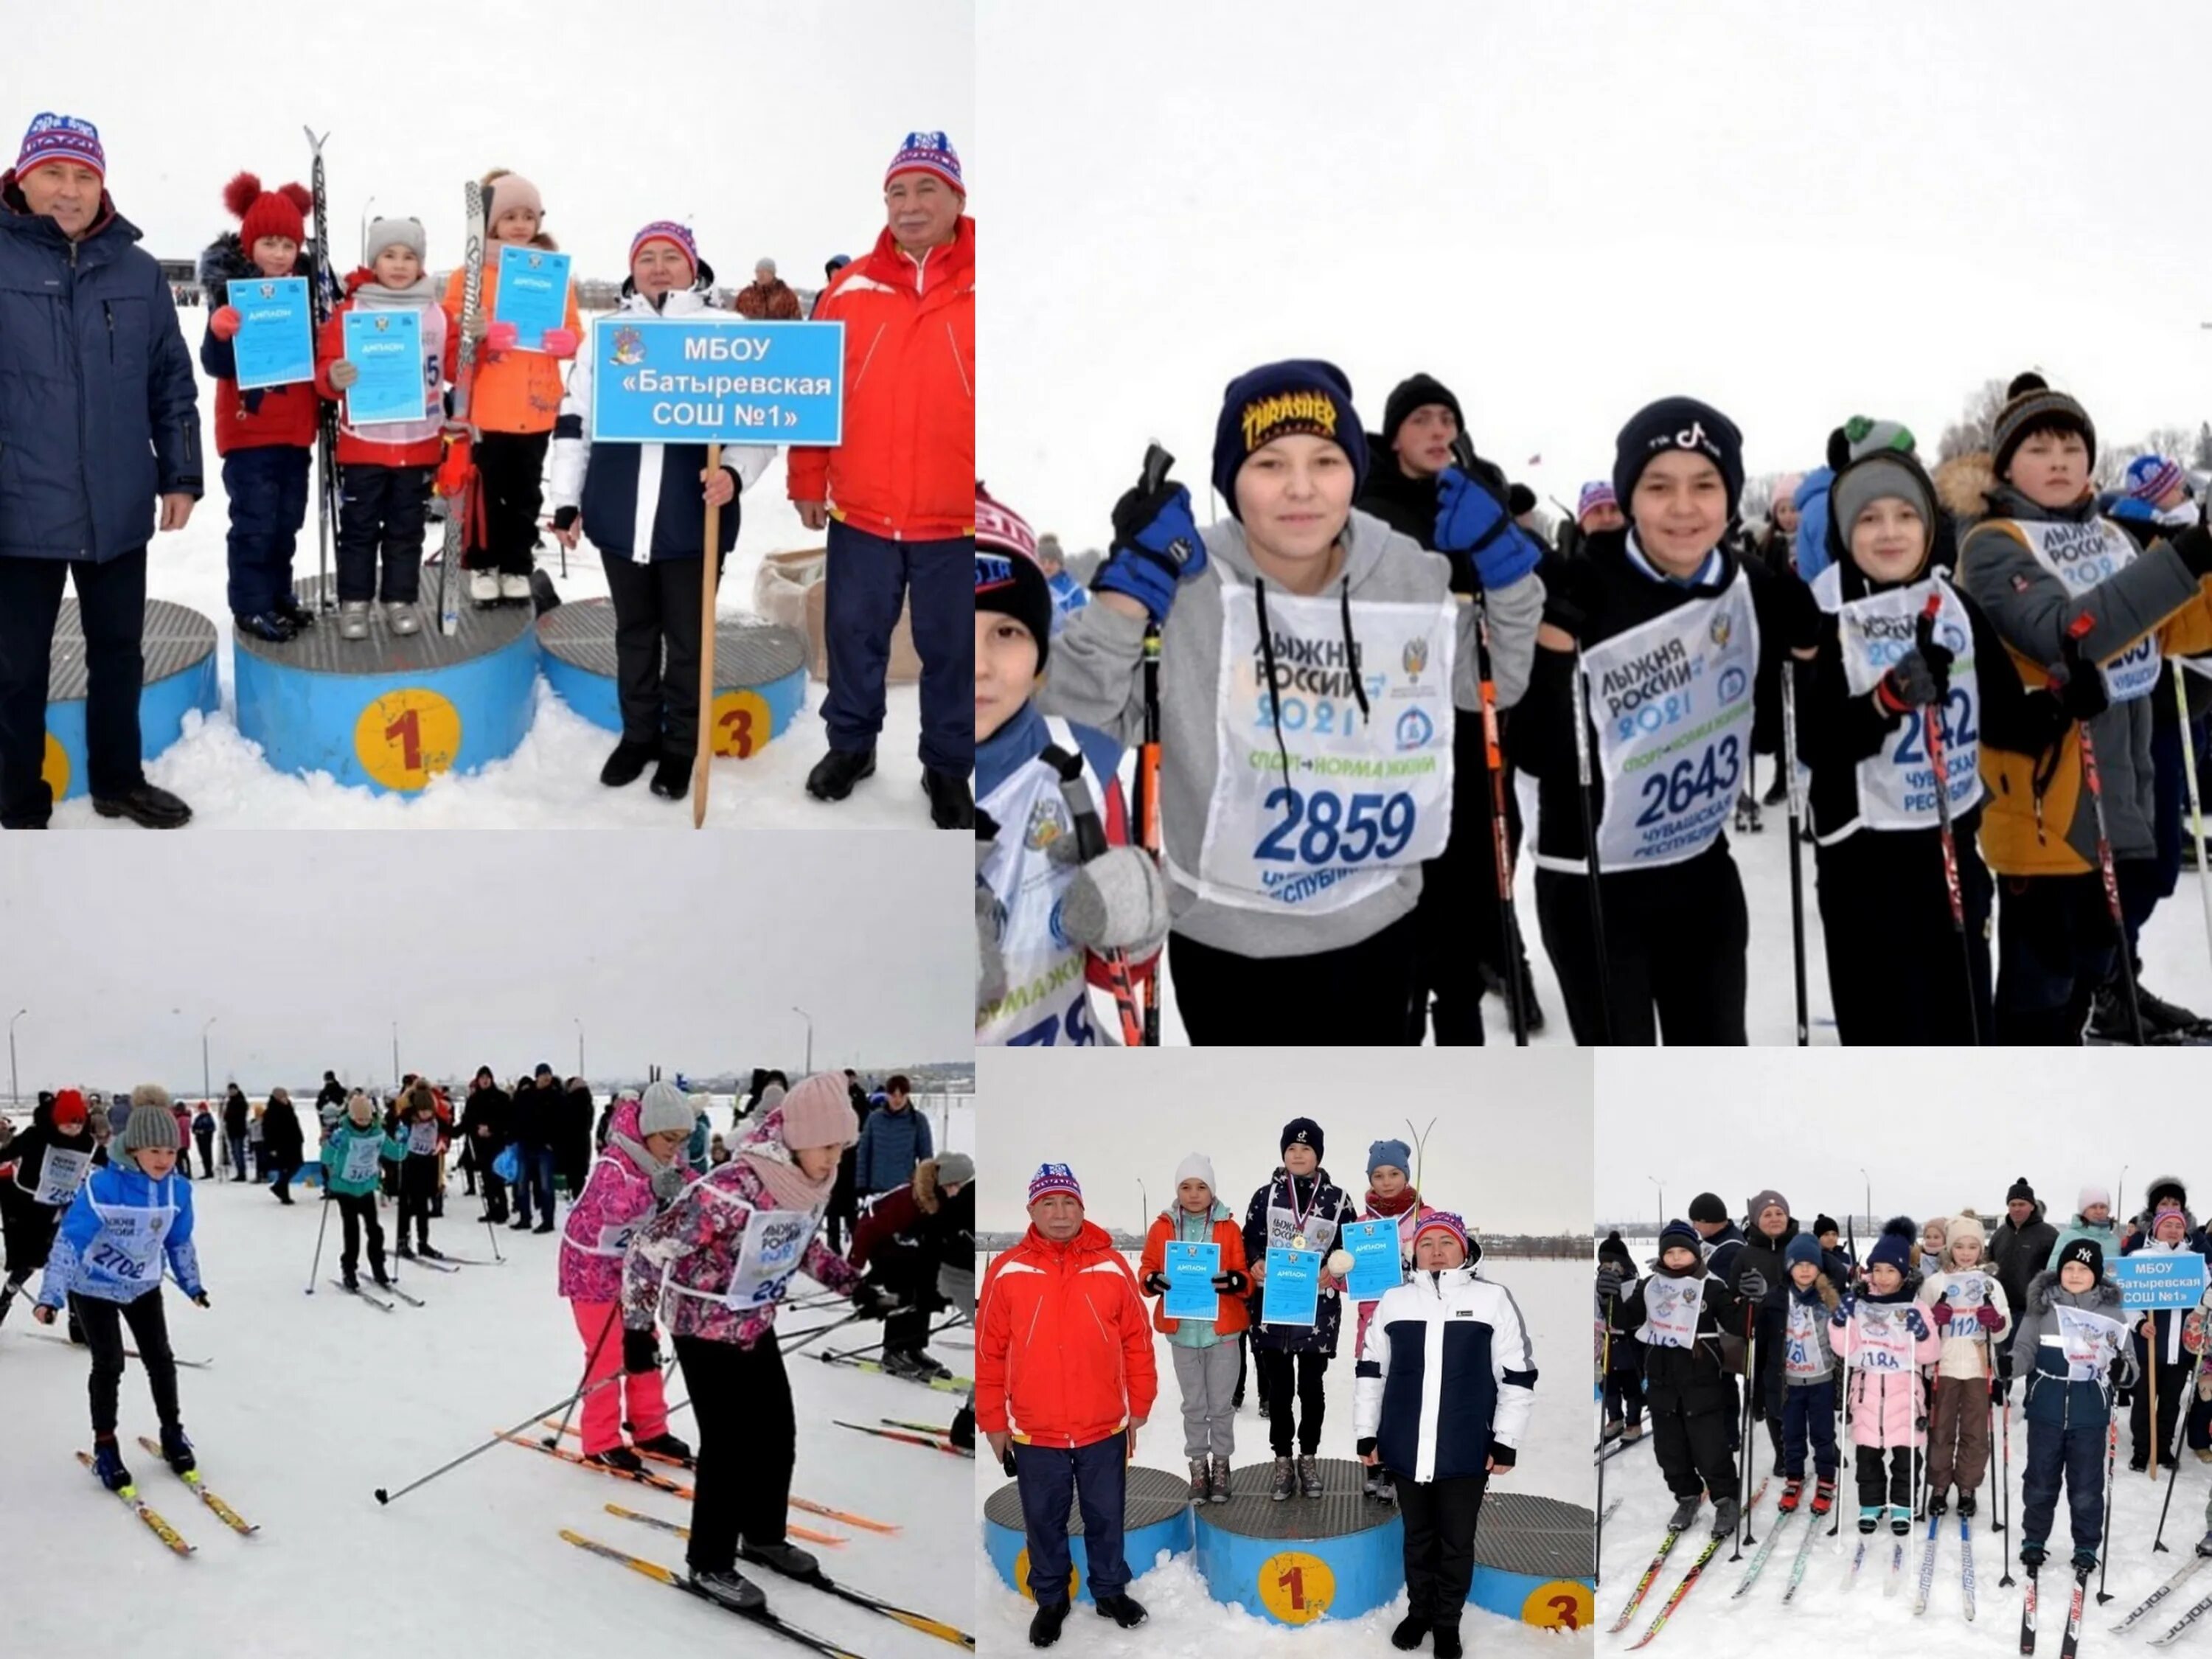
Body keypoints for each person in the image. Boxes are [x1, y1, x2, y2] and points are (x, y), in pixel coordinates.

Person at [1044, 361, 1543, 1043]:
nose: (1301, 488)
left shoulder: (1405, 571)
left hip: (1375, 928)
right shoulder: (1190, 581)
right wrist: (1126, 594)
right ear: (1233, 482)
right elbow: (1085, 699)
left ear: (1355, 471)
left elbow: (1491, 682)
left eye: (1326, 461)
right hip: (1225, 942)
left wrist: (1508, 573)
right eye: (1271, 464)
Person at [1505, 397, 1821, 1043]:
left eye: (1704, 485)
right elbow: (1534, 751)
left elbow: (1768, 736)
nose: (1683, 508)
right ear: (1630, 496)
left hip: (1699, 872)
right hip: (1591, 884)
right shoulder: (1583, 582)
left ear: (1730, 496)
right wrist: (1553, 649)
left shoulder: (1751, 584)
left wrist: (1809, 651)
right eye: (1659, 487)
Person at [1944, 373, 2212, 1043]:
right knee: (2044, 985)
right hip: (2047, 799)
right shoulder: (1993, 543)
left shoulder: (2115, 537)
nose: (2059, 461)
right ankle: (2025, 1106)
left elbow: (2181, 626)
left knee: (2103, 950)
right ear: (2005, 466)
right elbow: (2067, 631)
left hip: (2126, 786)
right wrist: (2190, 552)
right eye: (2038, 449)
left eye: (2071, 447)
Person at [1800, 424, 2072, 1043]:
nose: (1890, 532)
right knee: (1888, 1030)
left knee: (1964, 1022)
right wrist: (1885, 702)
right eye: (1869, 519)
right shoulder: (1823, 613)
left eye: (1904, 515)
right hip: (1863, 864)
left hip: (1951, 852)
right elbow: (1813, 743)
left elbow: (2005, 718)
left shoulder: (1954, 605)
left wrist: (2064, 704)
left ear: (1928, 525)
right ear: (1846, 532)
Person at [620, 1074, 897, 1613]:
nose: (833, 1158)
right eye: (826, 1146)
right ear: (797, 1137)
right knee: (729, 1445)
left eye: (842, 1147)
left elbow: (801, 1245)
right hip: (701, 1325)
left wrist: (856, 1286)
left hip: (752, 1320)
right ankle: (709, 1562)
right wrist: (637, 1330)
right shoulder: (728, 1189)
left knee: (776, 1433)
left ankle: (763, 1535)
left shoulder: (806, 1184)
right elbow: (648, 1249)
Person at [0, 112, 200, 830]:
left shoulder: (137, 270)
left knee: (118, 652)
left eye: (85, 175)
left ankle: (119, 780)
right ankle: (18, 805)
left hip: (116, 503)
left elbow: (169, 378)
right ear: (22, 179)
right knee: (16, 671)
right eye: (53, 171)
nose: (69, 189)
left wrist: (179, 474)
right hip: (17, 508)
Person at [788, 133, 975, 828]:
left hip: (958, 520)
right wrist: (808, 477)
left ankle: (949, 765)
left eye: (927, 188)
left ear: (958, 196)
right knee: (853, 636)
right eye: (897, 191)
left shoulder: (989, 283)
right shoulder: (849, 289)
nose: (910, 204)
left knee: (953, 649)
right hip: (862, 511)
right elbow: (815, 394)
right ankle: (852, 745)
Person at [1354, 372, 1545, 1044]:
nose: (1439, 432)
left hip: (1471, 712)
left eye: (1448, 420)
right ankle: (1406, 1019)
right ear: (1395, 434)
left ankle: (1469, 1005)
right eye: (1422, 421)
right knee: (1410, 887)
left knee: (1479, 858)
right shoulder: (1368, 503)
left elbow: (1529, 577)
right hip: (1389, 725)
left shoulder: (1478, 488)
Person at [549, 222, 773, 800]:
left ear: (692, 266)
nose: (656, 267)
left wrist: (734, 475)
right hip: (621, 518)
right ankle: (639, 736)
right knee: (635, 635)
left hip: (692, 521)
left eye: (669, 256)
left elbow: (761, 424)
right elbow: (577, 423)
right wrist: (568, 499)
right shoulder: (607, 335)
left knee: (689, 640)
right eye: (645, 257)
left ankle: (680, 746)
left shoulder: (728, 332)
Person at [975, 497, 1168, 1046]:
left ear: (1038, 650)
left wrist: (1131, 920)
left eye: (1006, 632)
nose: (979, 665)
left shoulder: (1073, 765)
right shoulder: (881, 804)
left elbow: (1116, 970)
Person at [977, 1164, 1155, 1646]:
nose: (1059, 1213)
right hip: (1035, 1430)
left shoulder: (1111, 1266)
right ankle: (1051, 1598)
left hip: (1103, 1426)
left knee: (1105, 1515)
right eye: (1049, 1203)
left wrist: (1139, 1403)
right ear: (1031, 1209)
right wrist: (994, 1422)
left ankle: (1109, 1590)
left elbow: (1138, 1340)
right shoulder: (1008, 1269)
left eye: (1068, 1203)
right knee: (1043, 1520)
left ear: (1082, 1208)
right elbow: (989, 1352)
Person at [1355, 1212, 1531, 1659]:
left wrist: (1505, 1438)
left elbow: (1516, 1375)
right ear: (1413, 1251)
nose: (1436, 1250)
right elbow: (1372, 1371)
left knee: (1456, 1541)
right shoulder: (1394, 1301)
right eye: (1426, 1241)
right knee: (1417, 1537)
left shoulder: (1492, 1300)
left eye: (1446, 1241)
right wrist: (1366, 1433)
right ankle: (1420, 1612)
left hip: (1465, 1448)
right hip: (1407, 1447)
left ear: (1464, 1248)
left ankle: (1447, 1621)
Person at [35, 1088, 209, 1492]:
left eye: (171, 1151)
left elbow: (179, 1240)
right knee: (110, 1363)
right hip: (92, 1286)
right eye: (155, 1152)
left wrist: (192, 1284)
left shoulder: (178, 1190)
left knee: (160, 1359)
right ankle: (106, 1445)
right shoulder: (102, 1187)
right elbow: (69, 1242)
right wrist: (51, 1296)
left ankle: (172, 1432)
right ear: (133, 1149)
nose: (165, 1161)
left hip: (143, 1286)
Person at [2102, 453, 2212, 1039]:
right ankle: (2111, 984)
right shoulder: (2135, 534)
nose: (2182, 499)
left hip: (2180, 709)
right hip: (2149, 713)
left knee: (2159, 861)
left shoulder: (2183, 528)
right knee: (2148, 860)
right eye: (2171, 492)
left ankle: (2120, 978)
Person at [442, 169, 580, 606]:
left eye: (528, 216)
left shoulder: (555, 274)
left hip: (536, 407)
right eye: (509, 217)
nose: (520, 225)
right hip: (486, 406)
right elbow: (450, 331)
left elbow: (573, 330)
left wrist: (566, 341)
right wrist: (478, 331)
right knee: (485, 491)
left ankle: (517, 566)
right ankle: (484, 563)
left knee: (526, 493)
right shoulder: (469, 275)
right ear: (490, 225)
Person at [198, 170, 319, 643]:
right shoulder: (231, 296)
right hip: (250, 435)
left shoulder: (306, 295)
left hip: (294, 431)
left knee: (287, 520)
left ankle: (277, 593)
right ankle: (250, 603)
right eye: (269, 243)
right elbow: (215, 364)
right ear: (250, 245)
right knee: (255, 522)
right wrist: (220, 330)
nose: (279, 254)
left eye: (288, 245)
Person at [314, 213, 448, 639]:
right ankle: (355, 600)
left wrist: (473, 341)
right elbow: (324, 372)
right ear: (374, 260)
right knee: (359, 528)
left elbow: (459, 371)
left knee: (406, 530)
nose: (399, 264)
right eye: (389, 255)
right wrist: (334, 377)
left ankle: (399, 597)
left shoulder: (436, 314)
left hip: (418, 443)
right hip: (365, 446)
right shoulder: (352, 310)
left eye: (409, 256)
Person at [558, 1081, 694, 1471]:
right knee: (606, 1354)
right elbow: (612, 1205)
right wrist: (651, 1187)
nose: (675, 1148)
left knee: (644, 1344)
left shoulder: (668, 1163)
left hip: (634, 1272)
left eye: (681, 1140)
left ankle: (650, 1428)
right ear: (649, 1130)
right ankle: (600, 1438)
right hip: (590, 1271)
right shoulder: (614, 1161)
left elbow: (690, 1188)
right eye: (669, 1138)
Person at [1599, 1217, 1756, 1539]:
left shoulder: (1711, 1286)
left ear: (1695, 1254)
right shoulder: (1650, 1286)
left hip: (1703, 1385)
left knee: (1711, 1449)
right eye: (1669, 1253)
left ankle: (1725, 1499)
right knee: (1670, 1452)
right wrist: (1609, 1297)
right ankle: (1687, 1495)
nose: (1675, 1259)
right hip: (1662, 1384)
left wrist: (1753, 1299)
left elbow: (1740, 1324)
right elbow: (1626, 1319)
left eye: (1681, 1253)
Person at [1242, 1117, 1360, 1500]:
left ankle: (1308, 1457)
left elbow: (1350, 1248)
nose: (1298, 1155)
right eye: (1292, 1148)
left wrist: (1334, 1268)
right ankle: (1282, 1460)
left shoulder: (1339, 1199)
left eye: (1306, 1149)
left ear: (1318, 1155)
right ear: (1283, 1153)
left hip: (1317, 1312)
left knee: (1311, 1389)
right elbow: (1249, 1240)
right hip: (1273, 1309)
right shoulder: (1265, 1195)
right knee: (1279, 1390)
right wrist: (1256, 1260)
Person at [2014, 1235, 2133, 1574]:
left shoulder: (2112, 1313)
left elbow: (2129, 1362)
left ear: (2096, 1274)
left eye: (2083, 1268)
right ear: (2059, 1270)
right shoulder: (2042, 1308)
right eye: (2069, 1267)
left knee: (2085, 1486)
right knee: (2039, 1480)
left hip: (2089, 1413)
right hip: (2046, 1409)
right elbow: (2024, 1349)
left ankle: (2085, 1545)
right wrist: (2011, 1364)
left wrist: (2124, 1370)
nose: (2076, 1274)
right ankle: (2034, 1539)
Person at [1137, 1152, 1251, 1504]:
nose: (1194, 1194)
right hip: (1184, 1333)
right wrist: (1153, 1280)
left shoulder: (1229, 1228)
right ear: (1177, 1190)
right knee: (1193, 1405)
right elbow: (1146, 1270)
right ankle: (1198, 1465)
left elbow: (1245, 1277)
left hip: (1223, 1333)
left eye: (1201, 1186)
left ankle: (1221, 1465)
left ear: (1212, 1190)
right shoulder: (1162, 1228)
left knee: (1220, 1405)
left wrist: (1235, 1281)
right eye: (1186, 1186)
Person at [1832, 1218, 1943, 1537]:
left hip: (1904, 1395)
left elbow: (1929, 1354)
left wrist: (1922, 1334)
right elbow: (1846, 1350)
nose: (1882, 1277)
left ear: (1904, 1273)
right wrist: (1841, 1322)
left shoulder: (1915, 1306)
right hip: (1867, 1393)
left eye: (1890, 1270)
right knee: (1867, 1455)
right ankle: (1871, 1504)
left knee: (1906, 1458)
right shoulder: (1861, 1303)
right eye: (1877, 1269)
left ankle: (1903, 1505)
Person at [849, 1151, 975, 1382]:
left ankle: (914, 1347)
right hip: (884, 1245)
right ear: (944, 1181)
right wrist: (853, 1266)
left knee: (927, 1288)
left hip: (912, 1248)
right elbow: (868, 1229)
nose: (959, 1191)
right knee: (904, 1286)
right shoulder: (908, 1199)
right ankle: (894, 1350)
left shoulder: (946, 1202)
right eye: (956, 1185)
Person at [1916, 1211, 2010, 1514]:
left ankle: (1967, 1485)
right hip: (1943, 1366)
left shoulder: (1991, 1285)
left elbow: (2003, 1326)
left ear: (1981, 1249)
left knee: (1975, 1431)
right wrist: (1933, 1320)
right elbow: (1920, 1328)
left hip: (1977, 1367)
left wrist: (1995, 1322)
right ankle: (1940, 1485)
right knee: (1941, 1430)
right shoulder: (1935, 1283)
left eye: (1972, 1246)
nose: (1966, 1253)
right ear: (1949, 1248)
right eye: (1960, 1246)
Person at [2121, 1187, 2211, 1472]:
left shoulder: (2194, 1262)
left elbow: (2205, 1297)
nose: (2173, 1230)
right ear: (2157, 1228)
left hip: (2180, 1348)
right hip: (2150, 1343)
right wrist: (2138, 1323)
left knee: (2171, 1402)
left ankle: (2164, 1448)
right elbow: (2127, 1297)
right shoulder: (2139, 1257)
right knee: (2145, 1401)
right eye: (2167, 1225)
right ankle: (2142, 1449)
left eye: (2178, 1226)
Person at [0, 1089, 94, 1329]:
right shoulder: (36, 1136)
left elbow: (105, 1158)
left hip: (65, 1207)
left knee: (73, 1259)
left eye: (78, 1124)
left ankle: (78, 1322)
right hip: (29, 1206)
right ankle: (5, 1300)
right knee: (31, 1261)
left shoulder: (86, 1141)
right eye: (68, 1125)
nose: (74, 1130)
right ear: (56, 1120)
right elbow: (9, 1152)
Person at [1774, 1233, 1841, 1518]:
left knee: (1823, 1435)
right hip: (1789, 1381)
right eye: (1798, 1264)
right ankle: (1794, 1478)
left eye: (1810, 1264)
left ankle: (1826, 1478)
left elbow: (1842, 1335)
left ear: (1819, 1268)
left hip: (1821, 1379)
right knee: (1792, 1434)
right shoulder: (1778, 1297)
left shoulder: (1828, 1298)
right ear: (1789, 1267)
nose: (1804, 1270)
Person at [323, 1092, 405, 1293]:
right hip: (345, 1188)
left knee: (375, 1231)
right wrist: (331, 1144)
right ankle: (349, 1270)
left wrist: (403, 1141)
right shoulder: (344, 1134)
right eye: (359, 1119)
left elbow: (397, 1154)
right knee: (352, 1233)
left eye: (367, 1118)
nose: (364, 1122)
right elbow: (326, 1159)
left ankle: (378, 1266)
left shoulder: (378, 1133)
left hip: (367, 1187)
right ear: (351, 1117)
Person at [1990, 1178, 2059, 1394]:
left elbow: (2055, 1273)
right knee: (2002, 1356)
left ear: (2032, 1206)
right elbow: (1988, 1264)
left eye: (2022, 1204)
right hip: (2002, 1308)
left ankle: (2034, 1397)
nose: (2017, 1209)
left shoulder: (2049, 1234)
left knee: (2032, 1355)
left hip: (2031, 1310)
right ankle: (2000, 1396)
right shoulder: (2000, 1234)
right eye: (2013, 1204)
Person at [1596, 1230, 1646, 1447]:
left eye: (1613, 1265)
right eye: (1604, 1266)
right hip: (1609, 1345)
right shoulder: (1599, 1287)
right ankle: (1615, 1418)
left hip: (1630, 1344)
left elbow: (1636, 1315)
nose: (1609, 1270)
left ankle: (1634, 1422)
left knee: (1632, 1386)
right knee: (1609, 1386)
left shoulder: (1636, 1285)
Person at [389, 1081, 445, 1260]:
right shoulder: (406, 1118)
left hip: (427, 1165)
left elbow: (452, 1130)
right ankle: (402, 1241)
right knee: (405, 1205)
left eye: (429, 1111)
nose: (426, 1115)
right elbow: (392, 1123)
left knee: (422, 1206)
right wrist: (398, 1135)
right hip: (409, 1164)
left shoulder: (436, 1121)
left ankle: (423, 1242)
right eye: (422, 1111)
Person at [852, 1075, 931, 1199]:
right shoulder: (874, 1119)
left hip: (905, 1190)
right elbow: (863, 1153)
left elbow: (926, 1159)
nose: (898, 1100)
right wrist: (861, 1185)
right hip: (876, 1190)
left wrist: (925, 1190)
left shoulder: (918, 1120)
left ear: (908, 1095)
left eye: (902, 1095)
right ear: (887, 1095)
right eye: (893, 1095)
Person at [509, 1064, 560, 1233]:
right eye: (543, 1074)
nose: (546, 1077)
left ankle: (548, 1221)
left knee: (546, 1186)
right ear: (537, 1077)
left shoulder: (556, 1097)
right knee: (522, 1184)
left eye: (548, 1074)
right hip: (525, 1145)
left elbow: (562, 1123)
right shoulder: (526, 1095)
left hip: (545, 1148)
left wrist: (553, 1142)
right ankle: (525, 1218)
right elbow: (516, 1117)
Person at [460, 1066, 512, 1223]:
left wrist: (491, 1129)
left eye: (487, 1077)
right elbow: (467, 1122)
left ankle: (503, 1210)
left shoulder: (501, 1098)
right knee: (486, 1180)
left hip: (497, 1144)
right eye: (482, 1077)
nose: (485, 1080)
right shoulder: (473, 1100)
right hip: (480, 1146)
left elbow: (507, 1120)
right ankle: (492, 1210)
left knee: (498, 1179)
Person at [260, 1085, 303, 1204]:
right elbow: (268, 1131)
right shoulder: (271, 1112)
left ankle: (280, 1187)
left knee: (296, 1165)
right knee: (286, 1168)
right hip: (281, 1145)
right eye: (283, 1096)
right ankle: (282, 1191)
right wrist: (272, 1147)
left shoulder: (288, 1107)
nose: (285, 1098)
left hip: (293, 1143)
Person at [730, 257, 800, 320]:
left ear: (772, 273)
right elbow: (735, 318)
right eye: (758, 272)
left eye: (764, 272)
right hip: (751, 334)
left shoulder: (787, 296)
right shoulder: (745, 295)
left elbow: (796, 323)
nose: (760, 275)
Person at [221, 1085, 248, 1181]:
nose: (231, 1092)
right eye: (230, 1090)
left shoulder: (241, 1101)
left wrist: (229, 1115)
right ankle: (239, 1172)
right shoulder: (230, 1102)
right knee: (234, 1153)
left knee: (238, 1153)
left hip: (239, 1131)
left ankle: (242, 1173)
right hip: (231, 1131)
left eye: (233, 1090)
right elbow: (227, 1116)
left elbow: (238, 1115)